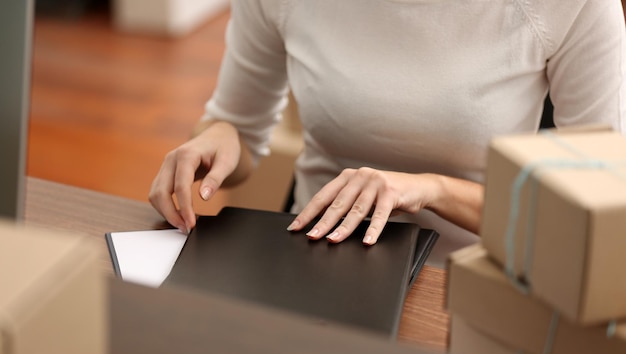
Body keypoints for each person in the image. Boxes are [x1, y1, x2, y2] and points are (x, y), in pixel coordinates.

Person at [149, 0, 626, 268]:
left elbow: (601, 215)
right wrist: (219, 140)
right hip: (308, 264)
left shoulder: (572, 6)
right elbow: (240, 129)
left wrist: (433, 189)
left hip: (471, 284)